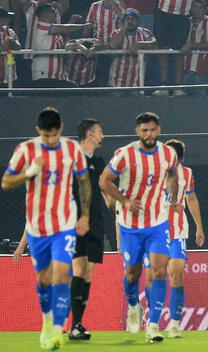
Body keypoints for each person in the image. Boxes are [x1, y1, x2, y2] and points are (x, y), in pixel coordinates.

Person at [2, 107, 91, 350]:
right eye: (45, 136)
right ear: (38, 131)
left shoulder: (72, 149)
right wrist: (30, 172)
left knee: (62, 274)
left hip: (64, 225)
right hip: (37, 227)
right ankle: (47, 321)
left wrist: (84, 215)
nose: (50, 140)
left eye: (54, 135)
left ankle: (56, 330)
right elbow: (7, 182)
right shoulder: (26, 150)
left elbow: (84, 181)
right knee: (43, 279)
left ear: (61, 129)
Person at [99, 112, 181, 343]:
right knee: (132, 273)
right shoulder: (124, 154)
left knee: (158, 271)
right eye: (144, 130)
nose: (149, 134)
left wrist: (173, 198)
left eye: (153, 130)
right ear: (137, 132)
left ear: (159, 130)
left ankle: (153, 325)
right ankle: (134, 306)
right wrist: (124, 200)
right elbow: (104, 181)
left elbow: (173, 176)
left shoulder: (168, 153)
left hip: (157, 223)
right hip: (130, 225)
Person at [68, 118, 109, 341]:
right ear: (90, 134)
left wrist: (120, 204)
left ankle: (78, 323)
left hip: (96, 221)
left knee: (89, 271)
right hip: (77, 221)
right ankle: (74, 325)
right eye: (100, 131)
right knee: (79, 269)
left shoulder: (100, 162)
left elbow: (106, 190)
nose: (103, 135)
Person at [161, 139, 206, 338]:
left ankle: (174, 323)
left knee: (177, 273)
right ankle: (151, 319)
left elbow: (192, 198)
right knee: (156, 276)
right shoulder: (155, 171)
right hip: (155, 230)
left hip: (178, 231)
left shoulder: (186, 173)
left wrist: (199, 227)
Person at [31, 3, 90, 88]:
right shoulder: (41, 26)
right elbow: (66, 29)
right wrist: (84, 26)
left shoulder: (56, 33)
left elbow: (64, 45)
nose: (55, 14)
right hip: (44, 73)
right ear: (45, 13)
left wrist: (78, 46)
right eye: (53, 11)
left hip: (58, 75)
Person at [107, 9, 157, 92]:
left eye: (133, 19)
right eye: (128, 19)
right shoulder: (116, 32)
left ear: (138, 21)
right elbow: (112, 45)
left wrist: (140, 44)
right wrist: (124, 29)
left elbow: (155, 45)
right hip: (116, 83)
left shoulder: (145, 32)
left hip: (137, 83)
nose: (130, 21)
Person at [152, 0, 192, 96]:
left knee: (179, 50)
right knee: (162, 48)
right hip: (163, 11)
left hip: (183, 14)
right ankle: (163, 85)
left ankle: (178, 86)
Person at [179, 0, 208, 97]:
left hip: (201, 72)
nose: (197, 10)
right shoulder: (186, 22)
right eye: (195, 7)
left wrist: (191, 45)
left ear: (205, 10)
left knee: (200, 104)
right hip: (185, 71)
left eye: (201, 7)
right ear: (191, 8)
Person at [0, 7, 20, 89]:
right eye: (6, 18)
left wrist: (12, 42)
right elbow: (2, 49)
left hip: (10, 75)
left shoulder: (10, 32)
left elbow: (18, 48)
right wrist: (3, 47)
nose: (8, 20)